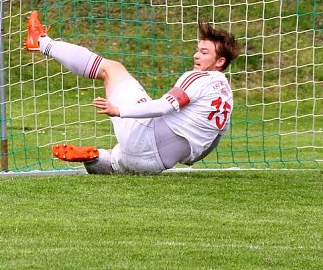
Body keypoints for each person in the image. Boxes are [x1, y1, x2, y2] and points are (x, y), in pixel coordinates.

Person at [24, 10, 239, 175]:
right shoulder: (227, 96)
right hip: (156, 164)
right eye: (197, 50)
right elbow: (214, 140)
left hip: (143, 138)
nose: (196, 56)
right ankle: (96, 158)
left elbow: (163, 106)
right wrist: (191, 159)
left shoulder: (198, 78)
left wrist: (119, 110)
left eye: (204, 52)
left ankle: (41, 42)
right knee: (117, 164)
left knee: (112, 69)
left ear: (220, 61)